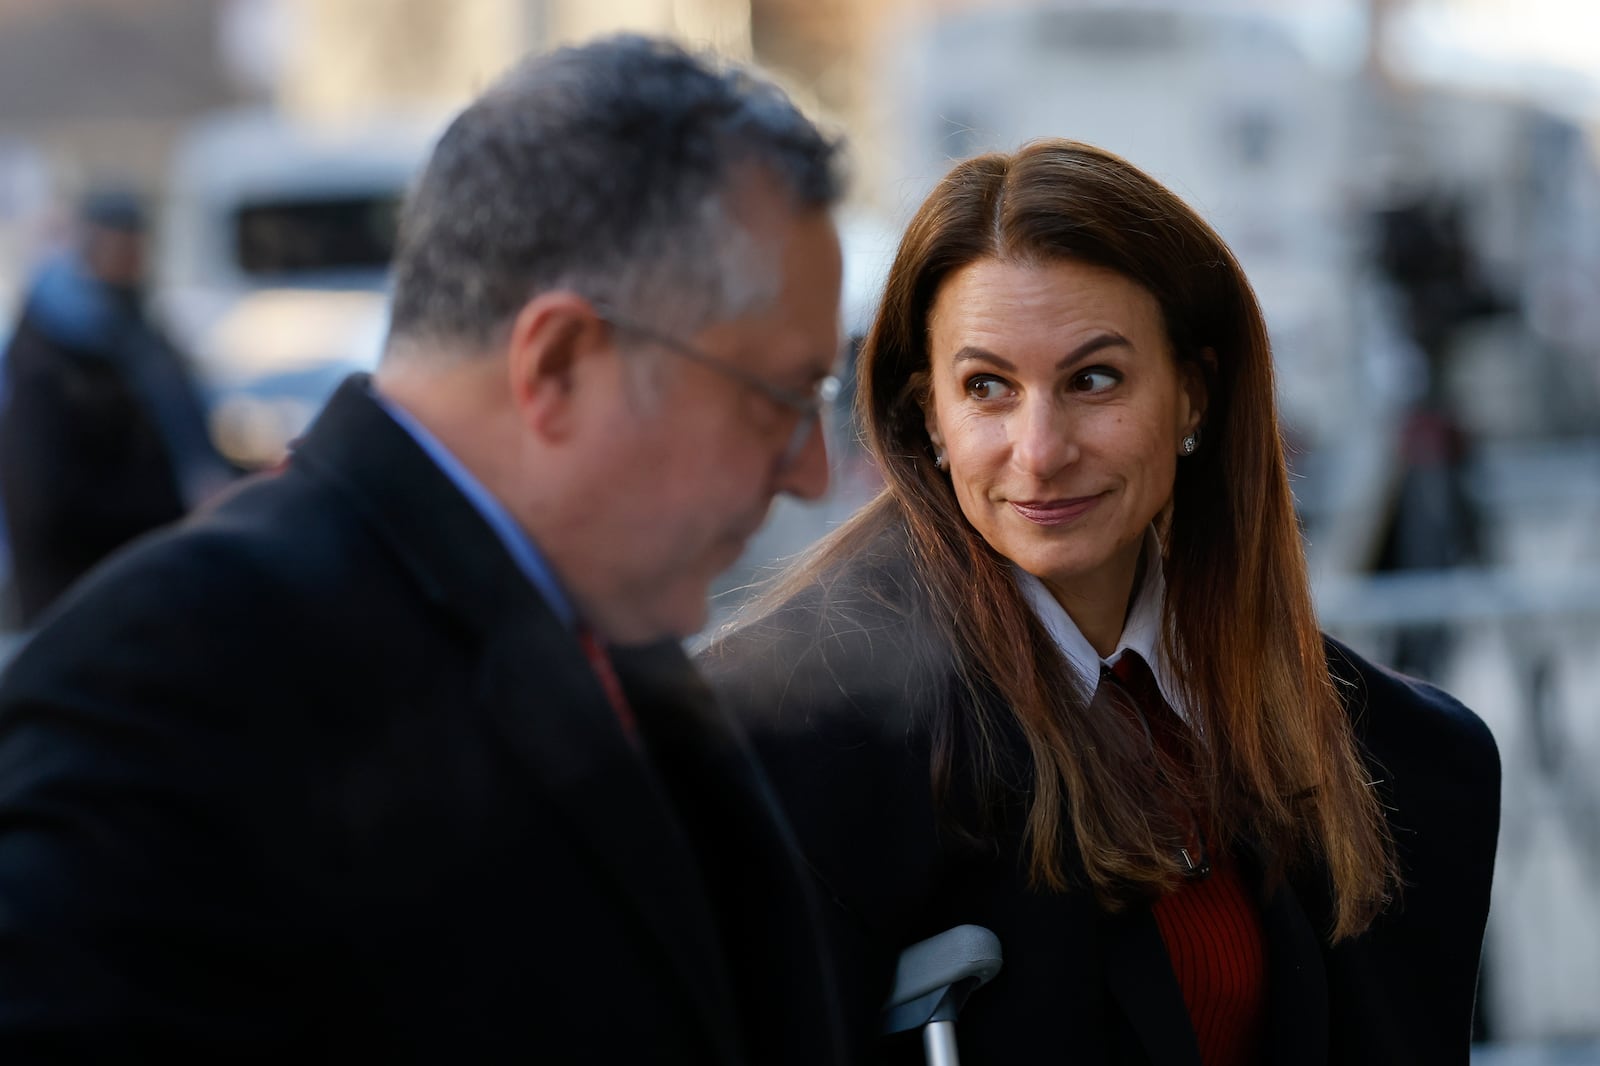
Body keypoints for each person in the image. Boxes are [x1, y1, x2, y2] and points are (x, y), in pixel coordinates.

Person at [0, 35, 850, 1064]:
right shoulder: (170, 679)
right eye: (778, 400)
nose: (811, 470)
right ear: (561, 361)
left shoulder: (605, 620)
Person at [700, 140, 1501, 1065]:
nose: (1040, 451)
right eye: (987, 387)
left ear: (1193, 394)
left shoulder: (1402, 761)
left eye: (1093, 380)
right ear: (930, 417)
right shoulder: (783, 745)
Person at [0, 188, 236, 627]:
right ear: (91, 244)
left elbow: (184, 427)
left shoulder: (138, 327)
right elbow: (44, 501)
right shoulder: (50, 352)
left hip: (147, 576)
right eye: (122, 245)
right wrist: (180, 508)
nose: (133, 259)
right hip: (83, 599)